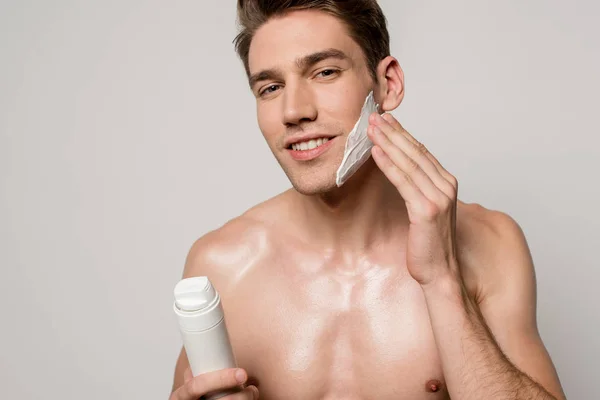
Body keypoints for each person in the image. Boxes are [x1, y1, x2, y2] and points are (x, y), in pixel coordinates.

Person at [169, 1, 566, 399]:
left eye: (325, 72)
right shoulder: (221, 266)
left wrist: (443, 279)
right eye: (271, 88)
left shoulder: (490, 244)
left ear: (387, 84)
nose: (294, 111)